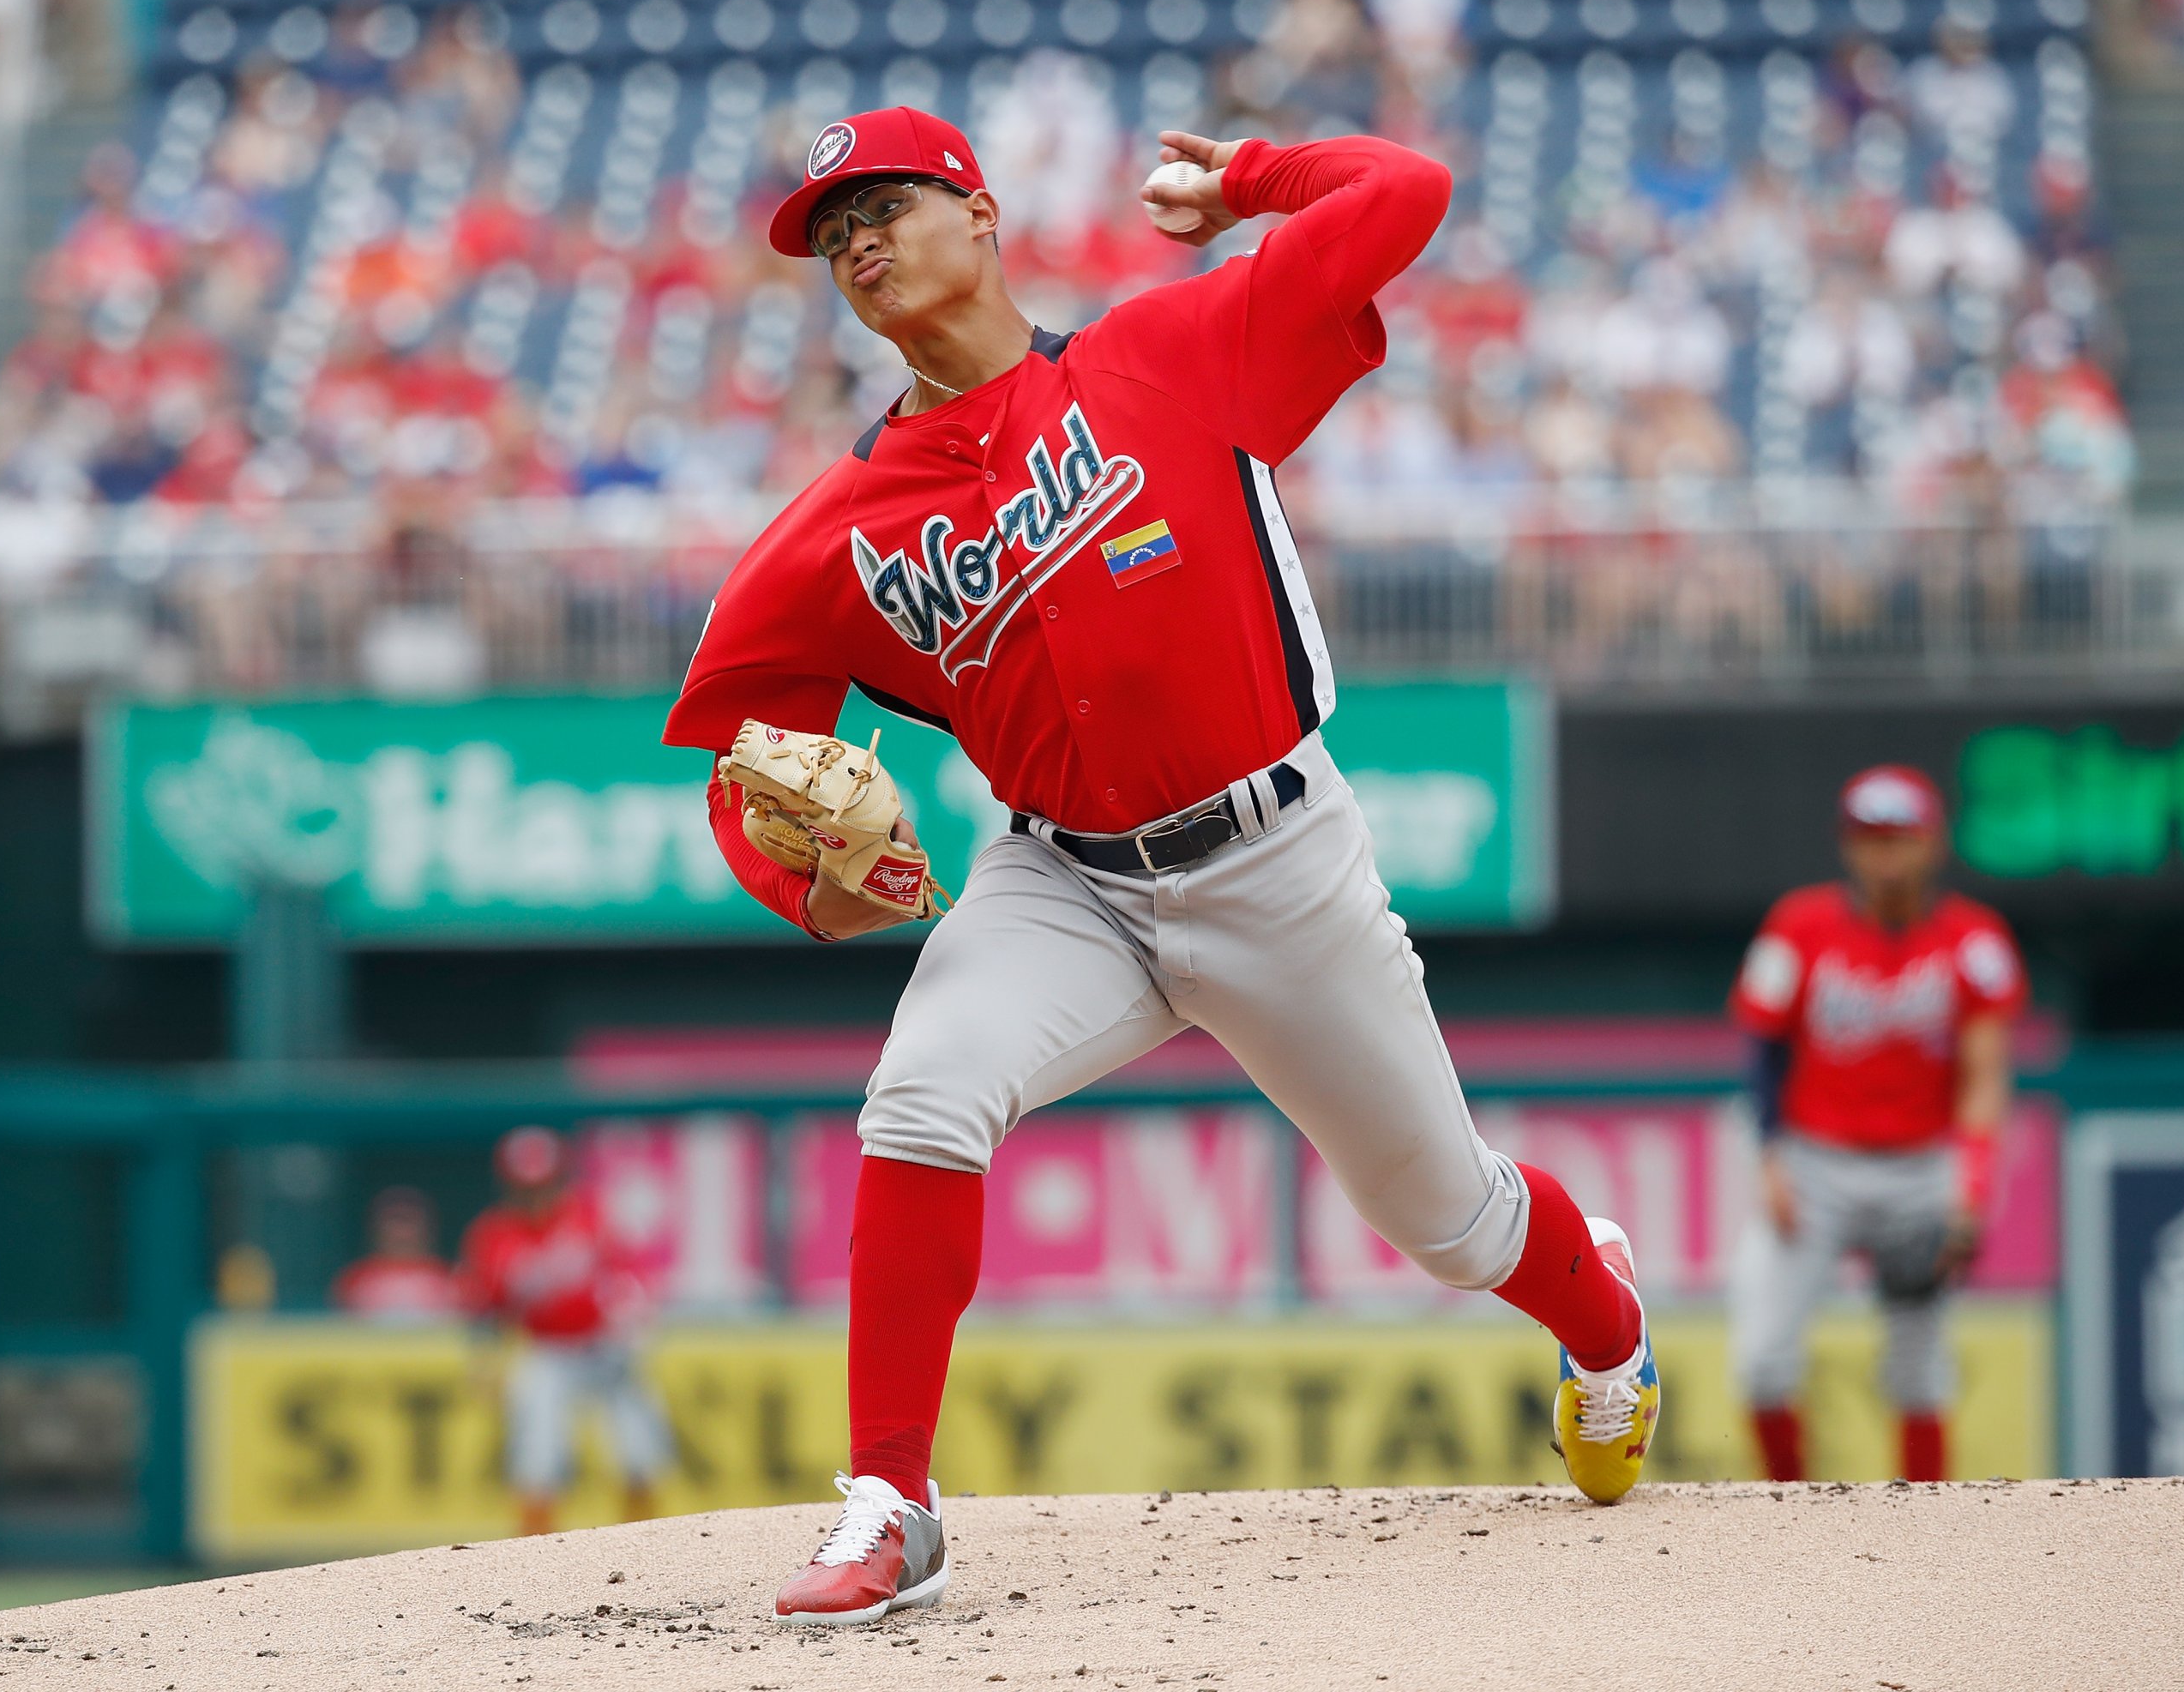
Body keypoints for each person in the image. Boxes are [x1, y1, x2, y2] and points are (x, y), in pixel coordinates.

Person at [662, 105, 1660, 1628]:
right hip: (1064, 882)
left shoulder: (1169, 352)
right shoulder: (835, 530)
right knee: (922, 1092)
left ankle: (1604, 1325)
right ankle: (889, 1499)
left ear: (981, 214)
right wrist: (795, 874)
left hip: (1278, 859)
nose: (857, 239)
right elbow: (741, 750)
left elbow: (1411, 190)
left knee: (1450, 1222)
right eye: (830, 232)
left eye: (886, 203)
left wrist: (1249, 181)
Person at [1726, 766, 2026, 1484]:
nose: (1884, 854)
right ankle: (1786, 1515)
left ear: (1931, 842)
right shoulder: (1797, 925)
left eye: (1898, 837)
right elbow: (1762, 1049)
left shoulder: (1973, 941)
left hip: (1920, 1169)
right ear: (1846, 845)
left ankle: (1921, 1532)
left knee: (1919, 1370)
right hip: (1813, 1161)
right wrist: (1766, 1157)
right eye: (1869, 837)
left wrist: (1970, 1188)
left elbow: (1984, 1075)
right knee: (1762, 1360)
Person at [455, 1126, 667, 1536]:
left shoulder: (591, 1216)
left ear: (561, 1179)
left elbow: (631, 1278)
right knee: (537, 1460)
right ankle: (537, 1565)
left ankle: (647, 1552)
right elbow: (483, 1308)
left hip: (605, 1347)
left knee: (639, 1455)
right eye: (526, 1187)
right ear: (509, 1186)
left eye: (545, 1184)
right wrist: (484, 1360)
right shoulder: (494, 1235)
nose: (537, 1195)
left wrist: (633, 1320)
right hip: (547, 1350)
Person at [329, 1186, 460, 1321]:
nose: (401, 1232)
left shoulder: (453, 1277)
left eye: (408, 1220)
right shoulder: (353, 1279)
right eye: (393, 1220)